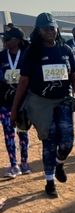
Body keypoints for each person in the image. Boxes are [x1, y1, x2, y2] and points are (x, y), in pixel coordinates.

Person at [10, 12, 75, 198]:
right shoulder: (32, 53)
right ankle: (50, 182)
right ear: (39, 31)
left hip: (63, 101)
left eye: (52, 28)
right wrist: (14, 109)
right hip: (40, 104)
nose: (50, 32)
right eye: (46, 29)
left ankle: (60, 164)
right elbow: (23, 82)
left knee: (67, 141)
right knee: (49, 141)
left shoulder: (66, 51)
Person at [0, 28, 30, 177]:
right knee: (8, 134)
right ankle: (14, 165)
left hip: (23, 103)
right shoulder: (0, 57)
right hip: (5, 103)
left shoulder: (26, 56)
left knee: (22, 133)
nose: (4, 41)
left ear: (17, 40)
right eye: (4, 38)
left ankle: (24, 162)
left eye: (8, 38)